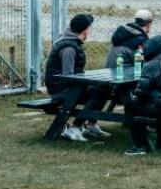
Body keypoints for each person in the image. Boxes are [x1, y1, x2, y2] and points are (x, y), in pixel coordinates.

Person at [44, 13, 111, 141]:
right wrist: (87, 83)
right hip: (61, 89)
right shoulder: (69, 48)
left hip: (65, 86)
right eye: (89, 28)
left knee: (102, 89)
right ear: (85, 30)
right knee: (100, 92)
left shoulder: (70, 42)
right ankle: (76, 126)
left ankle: (91, 124)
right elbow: (68, 77)